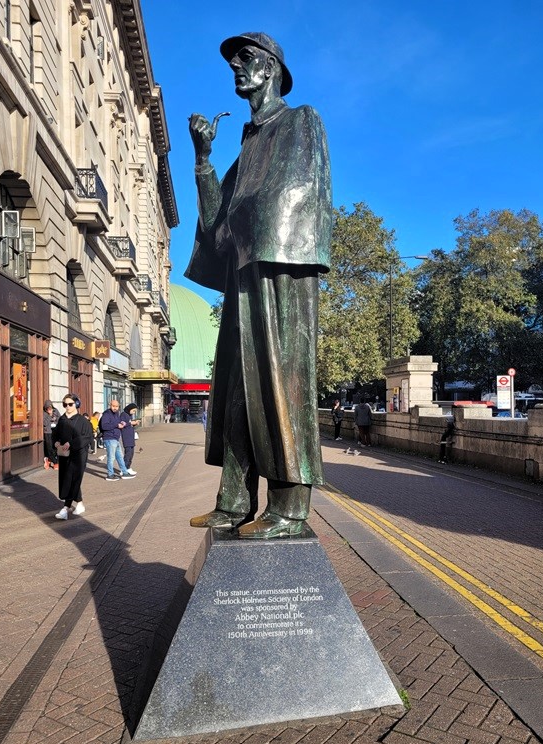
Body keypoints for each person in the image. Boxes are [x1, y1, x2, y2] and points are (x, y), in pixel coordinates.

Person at [186, 32, 331, 539]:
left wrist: (241, 225)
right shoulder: (244, 149)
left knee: (279, 381)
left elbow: (296, 192)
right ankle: (233, 502)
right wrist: (203, 160)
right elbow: (214, 226)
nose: (236, 69)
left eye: (245, 59)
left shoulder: (300, 121)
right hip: (245, 272)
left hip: (280, 266)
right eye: (232, 62)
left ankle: (289, 509)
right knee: (237, 389)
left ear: (270, 68)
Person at [52, 394, 93, 519]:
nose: (68, 407)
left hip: (78, 456)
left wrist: (72, 443)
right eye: (65, 404)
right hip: (64, 455)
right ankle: (79, 504)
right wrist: (56, 442)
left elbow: (87, 437)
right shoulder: (62, 419)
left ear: (76, 404)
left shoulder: (83, 421)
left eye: (70, 404)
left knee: (73, 479)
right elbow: (55, 434)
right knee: (68, 479)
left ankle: (66, 508)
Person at [99, 399, 137, 481]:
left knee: (119, 456)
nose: (115, 408)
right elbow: (104, 426)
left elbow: (119, 422)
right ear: (110, 405)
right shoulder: (106, 414)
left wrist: (122, 423)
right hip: (109, 438)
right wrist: (117, 425)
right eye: (113, 406)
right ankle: (110, 474)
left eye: (116, 406)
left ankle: (124, 472)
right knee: (111, 457)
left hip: (115, 438)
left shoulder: (117, 414)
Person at [120, 403, 139, 475]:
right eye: (133, 411)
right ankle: (123, 469)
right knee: (127, 454)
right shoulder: (123, 414)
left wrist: (134, 423)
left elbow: (129, 424)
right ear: (129, 409)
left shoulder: (129, 415)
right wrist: (131, 423)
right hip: (126, 437)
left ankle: (128, 467)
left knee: (131, 453)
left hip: (131, 437)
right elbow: (122, 424)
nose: (134, 412)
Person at [42, 400, 60, 470]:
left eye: (51, 408)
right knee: (49, 447)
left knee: (55, 447)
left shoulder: (55, 411)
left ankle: (49, 459)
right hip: (48, 432)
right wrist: (49, 415)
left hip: (55, 431)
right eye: (48, 408)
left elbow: (60, 419)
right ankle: (55, 462)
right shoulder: (44, 413)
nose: (50, 409)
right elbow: (44, 423)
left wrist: (55, 419)